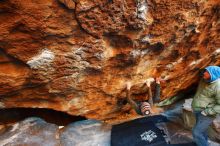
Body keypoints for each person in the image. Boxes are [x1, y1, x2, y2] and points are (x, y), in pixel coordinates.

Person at [191, 66, 220, 146]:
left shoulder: (218, 86)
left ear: (213, 74)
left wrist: (207, 112)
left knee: (196, 132)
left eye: (207, 72)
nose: (204, 73)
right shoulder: (204, 80)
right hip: (197, 110)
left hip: (207, 113)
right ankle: (205, 142)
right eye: (205, 71)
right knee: (202, 131)